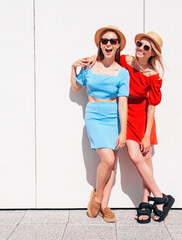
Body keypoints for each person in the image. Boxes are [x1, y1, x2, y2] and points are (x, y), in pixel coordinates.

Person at [85, 31, 174, 223]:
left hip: (142, 118)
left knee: (143, 156)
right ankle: (160, 197)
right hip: (124, 114)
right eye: (139, 44)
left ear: (153, 53)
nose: (140, 48)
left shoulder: (153, 76)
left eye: (146, 47)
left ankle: (148, 200)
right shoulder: (126, 61)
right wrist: (93, 57)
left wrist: (147, 134)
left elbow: (152, 107)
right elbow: (107, 56)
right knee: (135, 157)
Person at [70, 26, 129, 223]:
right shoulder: (90, 67)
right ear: (100, 44)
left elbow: (123, 102)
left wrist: (124, 131)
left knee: (113, 164)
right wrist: (73, 68)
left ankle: (104, 204)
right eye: (105, 41)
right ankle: (96, 196)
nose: (109, 44)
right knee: (108, 159)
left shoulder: (122, 73)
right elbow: (76, 86)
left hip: (114, 118)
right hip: (95, 115)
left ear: (118, 45)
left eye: (113, 41)